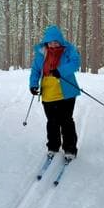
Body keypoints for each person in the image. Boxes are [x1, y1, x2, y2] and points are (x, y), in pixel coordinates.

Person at [29, 24, 80, 161]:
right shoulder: (41, 53)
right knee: (52, 121)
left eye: (56, 42)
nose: (53, 45)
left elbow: (76, 63)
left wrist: (61, 71)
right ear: (46, 42)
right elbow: (35, 70)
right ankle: (53, 146)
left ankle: (69, 148)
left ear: (60, 41)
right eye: (50, 42)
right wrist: (33, 84)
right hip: (48, 92)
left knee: (66, 120)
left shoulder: (68, 50)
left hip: (66, 92)